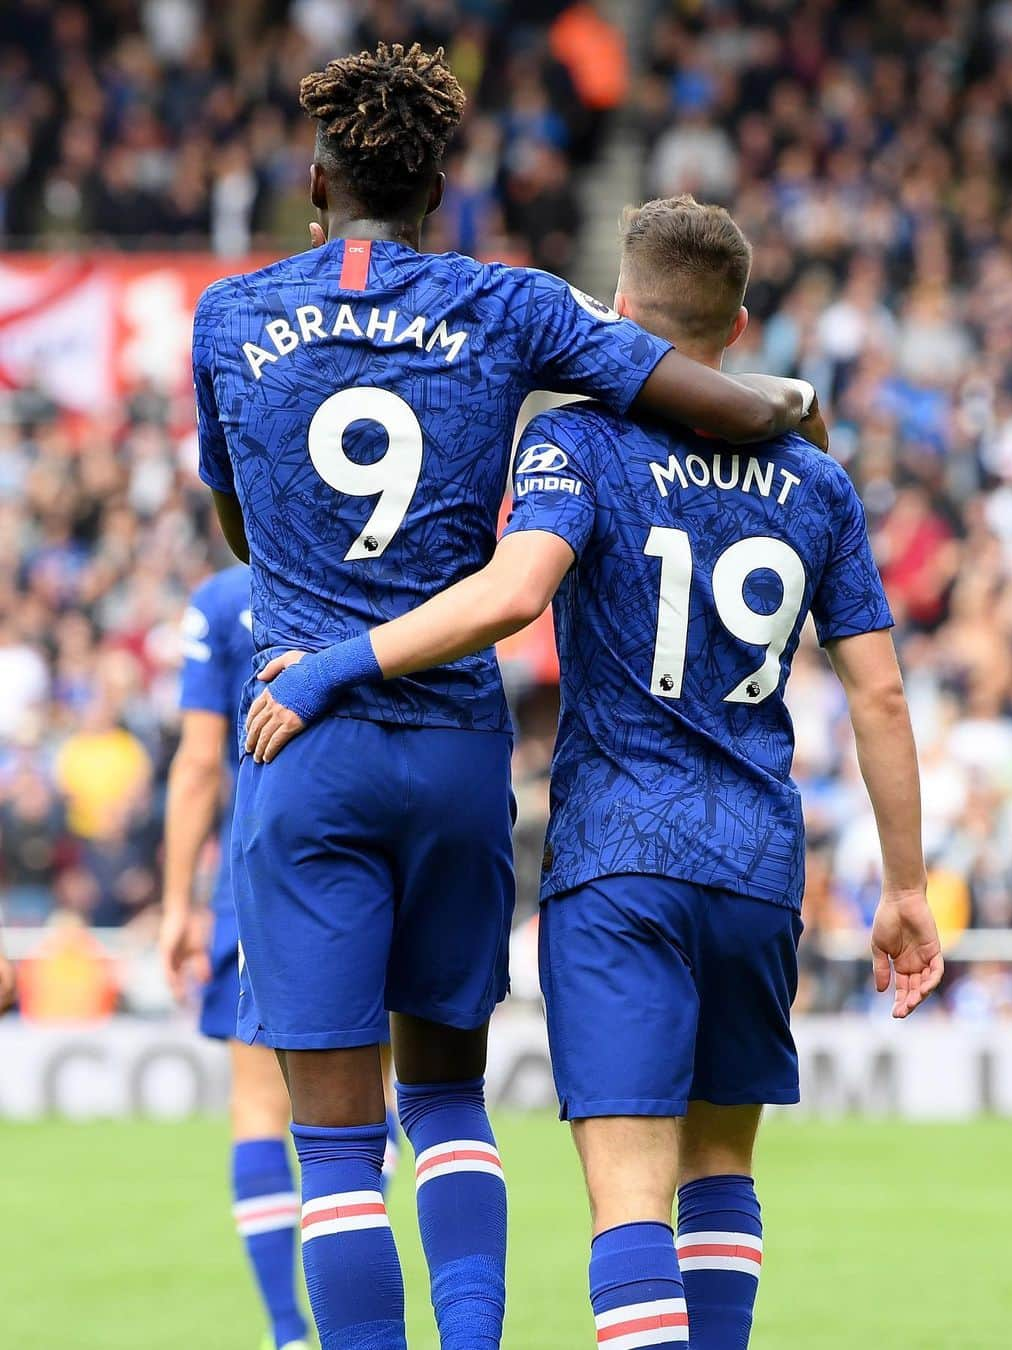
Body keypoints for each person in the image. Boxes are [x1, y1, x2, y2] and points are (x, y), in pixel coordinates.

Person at [193, 42, 823, 1350]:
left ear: (314, 182)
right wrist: (790, 401)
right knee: (446, 1104)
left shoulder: (230, 314)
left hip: (300, 734)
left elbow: (238, 522)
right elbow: (716, 404)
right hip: (456, 749)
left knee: (334, 1140)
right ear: (443, 191)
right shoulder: (515, 305)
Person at [248, 195, 945, 1350]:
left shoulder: (578, 441)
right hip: (759, 863)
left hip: (620, 860)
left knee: (629, 1197)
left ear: (620, 312)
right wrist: (907, 886)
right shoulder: (818, 484)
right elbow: (878, 690)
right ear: (739, 323)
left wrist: (338, 664)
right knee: (721, 1180)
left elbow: (515, 593)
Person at [159, 564, 312, 1350]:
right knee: (377, 1097)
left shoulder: (220, 599)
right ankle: (372, 1308)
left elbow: (195, 767)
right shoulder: (378, 576)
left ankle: (287, 1331)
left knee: (258, 1106)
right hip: (372, 853)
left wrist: (179, 902)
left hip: (258, 866)